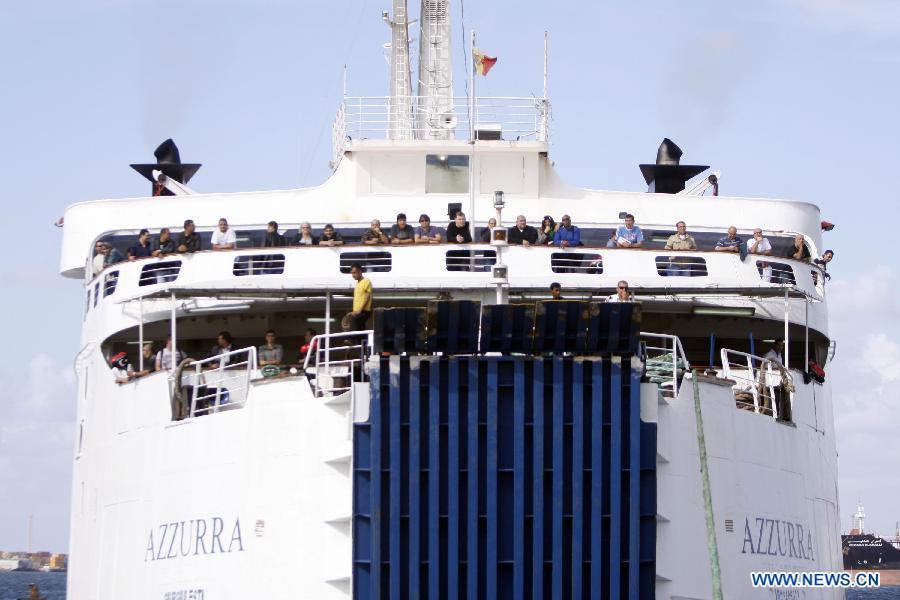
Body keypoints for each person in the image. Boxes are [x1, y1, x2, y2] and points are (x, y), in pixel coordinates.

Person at [346, 263, 373, 330]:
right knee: (360, 330)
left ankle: (353, 339)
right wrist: (354, 312)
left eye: (354, 273)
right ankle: (362, 339)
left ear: (360, 271)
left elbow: (367, 297)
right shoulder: (357, 284)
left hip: (364, 311)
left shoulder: (366, 281)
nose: (353, 275)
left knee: (354, 328)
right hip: (357, 312)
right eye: (352, 273)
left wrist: (359, 311)